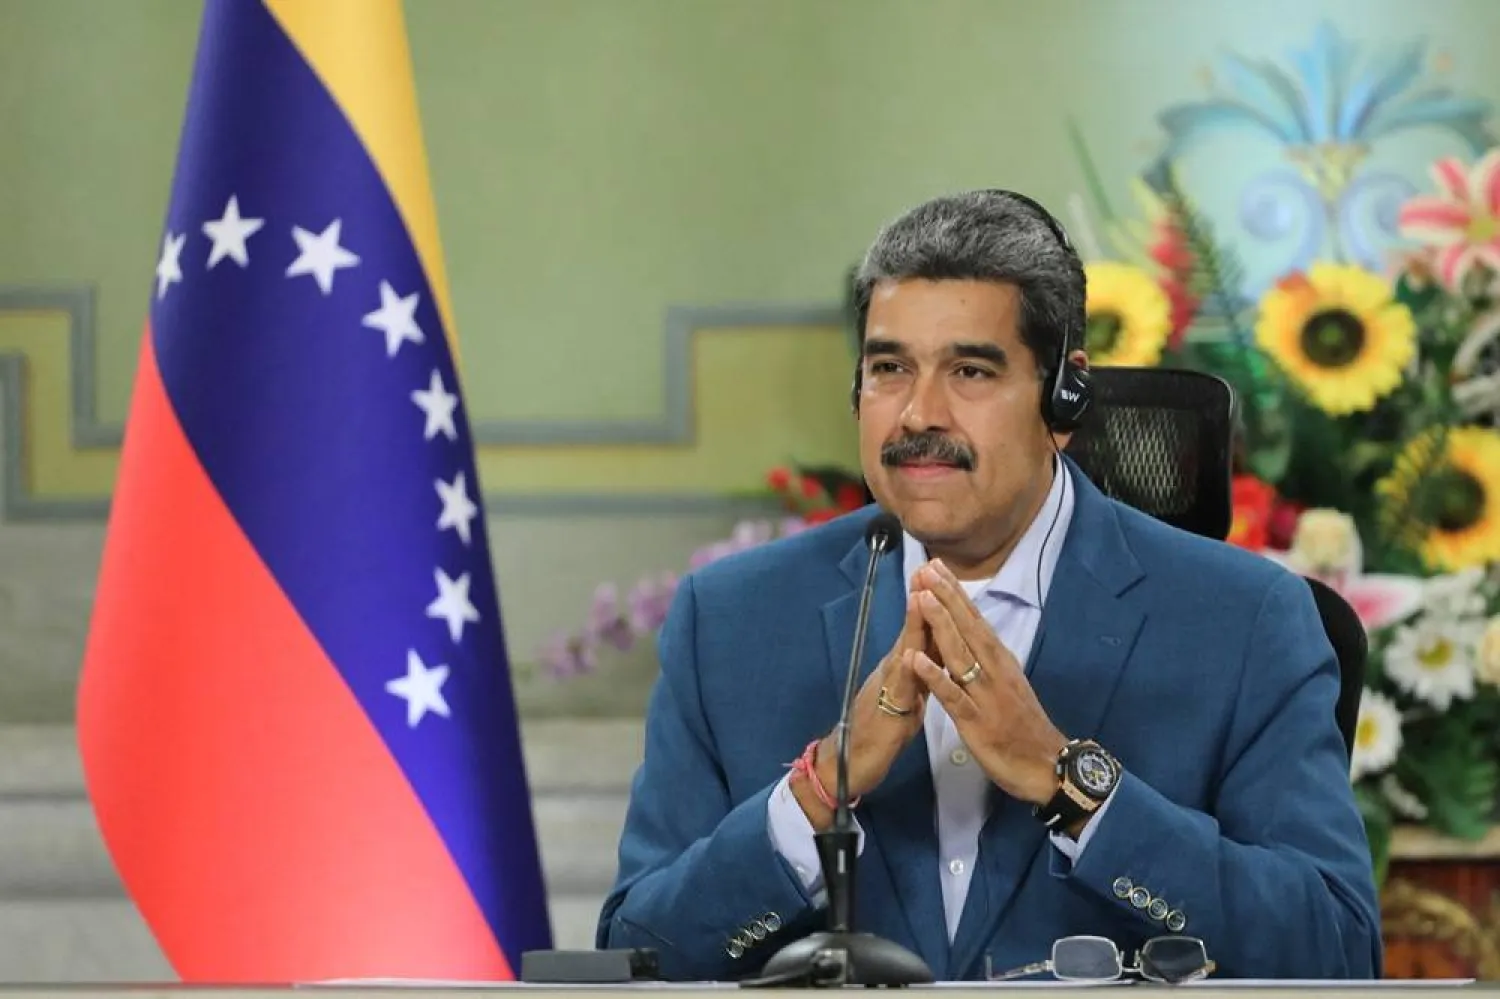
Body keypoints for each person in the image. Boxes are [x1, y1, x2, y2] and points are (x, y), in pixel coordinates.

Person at [595, 189, 1382, 982]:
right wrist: (814, 794)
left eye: (970, 370)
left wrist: (1071, 784)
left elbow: (1337, 950)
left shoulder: (1244, 622)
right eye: (889, 369)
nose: (917, 414)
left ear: (1064, 398)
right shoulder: (731, 620)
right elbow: (636, 956)